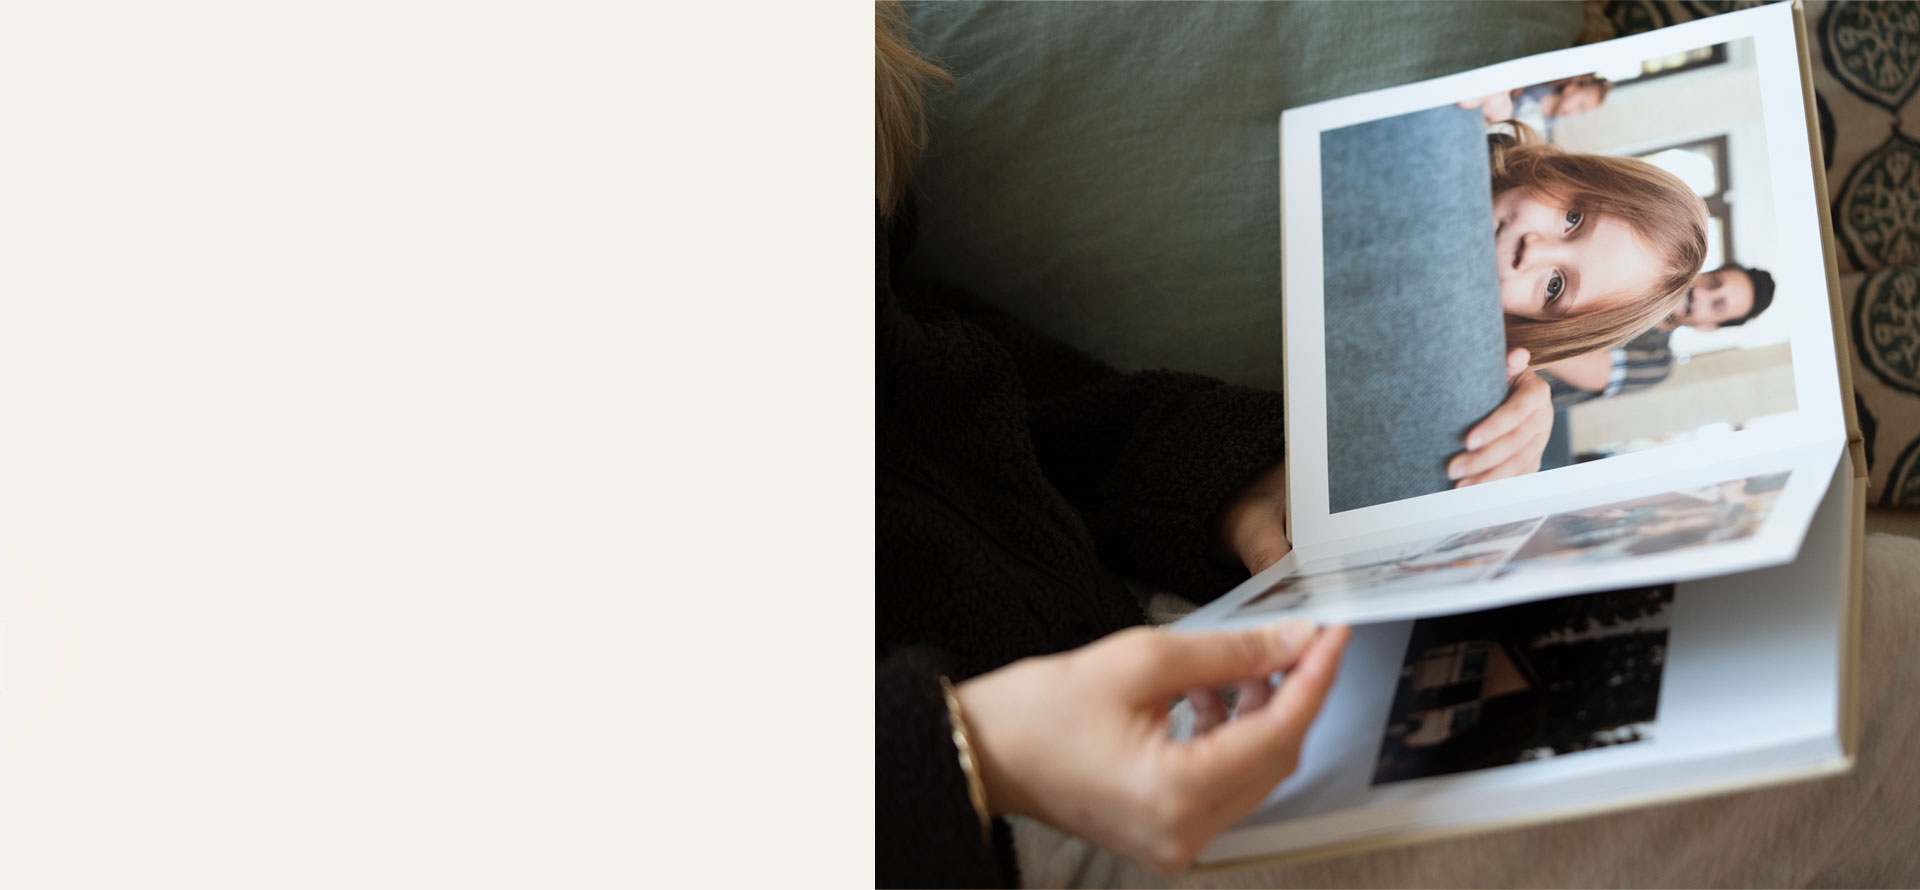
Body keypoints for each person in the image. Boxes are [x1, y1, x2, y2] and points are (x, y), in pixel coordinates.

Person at [874, 5, 1350, 885]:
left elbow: (1035, 415)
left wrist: (1227, 485)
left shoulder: (887, 314)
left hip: (1133, 663)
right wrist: (970, 753)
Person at [1445, 126, 1710, 488]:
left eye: (1554, 287)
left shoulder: (1461, 353)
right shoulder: (1466, 136)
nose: (1533, 249)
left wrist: (1515, 387)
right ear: (1567, 173)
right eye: (1572, 218)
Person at [1536, 263, 1777, 408]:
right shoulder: (1633, 274)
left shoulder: (1658, 361)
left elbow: (1571, 360)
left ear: (1708, 327)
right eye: (1713, 282)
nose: (1701, 294)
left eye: (1717, 305)